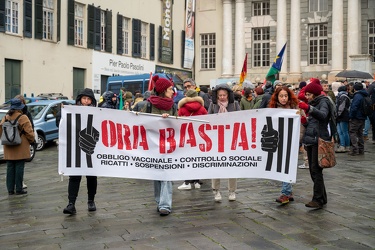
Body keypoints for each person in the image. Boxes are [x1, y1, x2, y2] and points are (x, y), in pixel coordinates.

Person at [141, 76, 177, 216]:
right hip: (154, 145)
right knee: (157, 174)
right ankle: (159, 201)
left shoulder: (173, 106)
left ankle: (165, 205)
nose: (173, 92)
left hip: (169, 146)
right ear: (163, 91)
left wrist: (171, 120)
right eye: (169, 89)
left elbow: (180, 125)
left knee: (167, 173)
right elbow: (141, 123)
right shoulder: (149, 105)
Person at [62, 88, 98, 215]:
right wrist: (62, 112)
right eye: (84, 98)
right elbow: (59, 123)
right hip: (75, 149)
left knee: (91, 176)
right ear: (79, 99)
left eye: (88, 99)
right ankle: (71, 203)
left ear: (92, 101)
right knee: (74, 176)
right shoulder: (71, 111)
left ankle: (91, 200)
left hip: (91, 149)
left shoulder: (98, 112)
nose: (86, 101)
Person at [299, 78, 331, 209]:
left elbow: (323, 116)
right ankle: (322, 197)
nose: (306, 97)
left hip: (319, 140)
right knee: (313, 170)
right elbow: (313, 123)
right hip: (311, 139)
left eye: (308, 94)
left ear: (314, 94)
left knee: (316, 170)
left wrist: (309, 108)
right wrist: (305, 121)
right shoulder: (315, 102)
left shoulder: (323, 102)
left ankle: (317, 199)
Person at [208, 84, 240, 202]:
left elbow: (242, 119)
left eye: (224, 95)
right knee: (216, 165)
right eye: (220, 95)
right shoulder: (213, 105)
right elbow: (207, 120)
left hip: (231, 139)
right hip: (216, 140)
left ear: (228, 95)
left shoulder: (235, 105)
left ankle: (232, 191)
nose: (222, 97)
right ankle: (216, 190)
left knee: (232, 165)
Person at [268, 86, 299, 204]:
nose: (284, 98)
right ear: (277, 97)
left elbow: (300, 124)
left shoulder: (294, 108)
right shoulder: (273, 109)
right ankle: (288, 191)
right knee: (282, 166)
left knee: (287, 165)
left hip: (292, 140)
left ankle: (285, 193)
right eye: (281, 96)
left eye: (285, 96)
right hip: (279, 141)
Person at [0, 99, 35, 195]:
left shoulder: (6, 117)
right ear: (20, 108)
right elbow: (29, 133)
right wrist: (32, 141)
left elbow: (0, 130)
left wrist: (7, 139)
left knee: (10, 168)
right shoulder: (23, 117)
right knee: (19, 167)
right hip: (21, 146)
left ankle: (10, 189)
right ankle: (19, 189)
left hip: (8, 147)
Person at [176, 89, 208, 190]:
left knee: (187, 159)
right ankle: (197, 181)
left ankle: (187, 182)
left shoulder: (182, 109)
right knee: (197, 159)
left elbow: (178, 122)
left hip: (187, 137)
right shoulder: (202, 109)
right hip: (200, 137)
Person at [348, 82, 368, 156]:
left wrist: (350, 116)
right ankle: (361, 149)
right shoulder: (364, 94)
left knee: (352, 132)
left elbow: (354, 107)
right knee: (360, 133)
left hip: (356, 117)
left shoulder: (357, 96)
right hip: (362, 117)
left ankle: (355, 149)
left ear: (355, 88)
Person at [335, 85, 351, 153]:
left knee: (343, 132)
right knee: (341, 132)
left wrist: (337, 114)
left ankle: (344, 146)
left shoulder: (342, 96)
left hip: (342, 116)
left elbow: (341, 107)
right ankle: (344, 145)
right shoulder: (345, 96)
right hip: (342, 116)